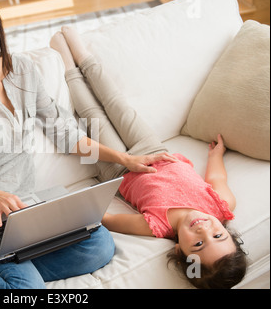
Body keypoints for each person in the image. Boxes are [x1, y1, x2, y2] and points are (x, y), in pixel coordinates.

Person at [0, 0, 175, 289]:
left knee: (98, 246)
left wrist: (126, 158)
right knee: (26, 284)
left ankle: (4, 274)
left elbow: (66, 135)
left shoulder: (24, 72)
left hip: (18, 215)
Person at [49, 26, 247, 289]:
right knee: (117, 103)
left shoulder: (157, 227)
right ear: (230, 233)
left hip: (117, 168)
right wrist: (216, 154)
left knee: (91, 114)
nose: (204, 230)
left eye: (198, 244)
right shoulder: (222, 204)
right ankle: (83, 56)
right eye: (218, 235)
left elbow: (107, 218)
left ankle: (67, 66)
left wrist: (71, 209)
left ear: (180, 251)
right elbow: (216, 177)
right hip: (153, 149)